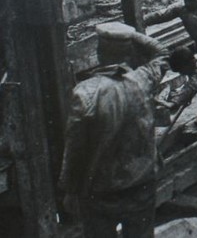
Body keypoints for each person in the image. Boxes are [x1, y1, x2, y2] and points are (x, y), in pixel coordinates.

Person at [59, 23, 170, 238]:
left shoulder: (84, 93)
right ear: (129, 52)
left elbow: (75, 149)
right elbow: (161, 52)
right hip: (141, 185)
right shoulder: (144, 79)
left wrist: (70, 190)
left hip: (101, 191)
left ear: (99, 53)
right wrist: (131, 35)